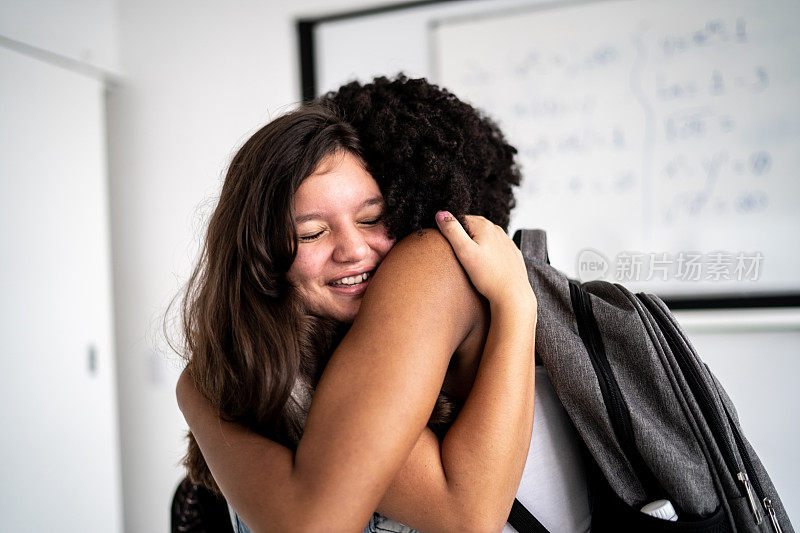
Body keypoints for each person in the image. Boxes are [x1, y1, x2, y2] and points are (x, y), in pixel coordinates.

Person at [176, 76, 588, 532]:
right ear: (259, 252)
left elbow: (467, 518)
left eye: (373, 218)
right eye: (311, 232)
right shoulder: (296, 361)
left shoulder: (428, 267)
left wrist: (196, 397)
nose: (353, 249)